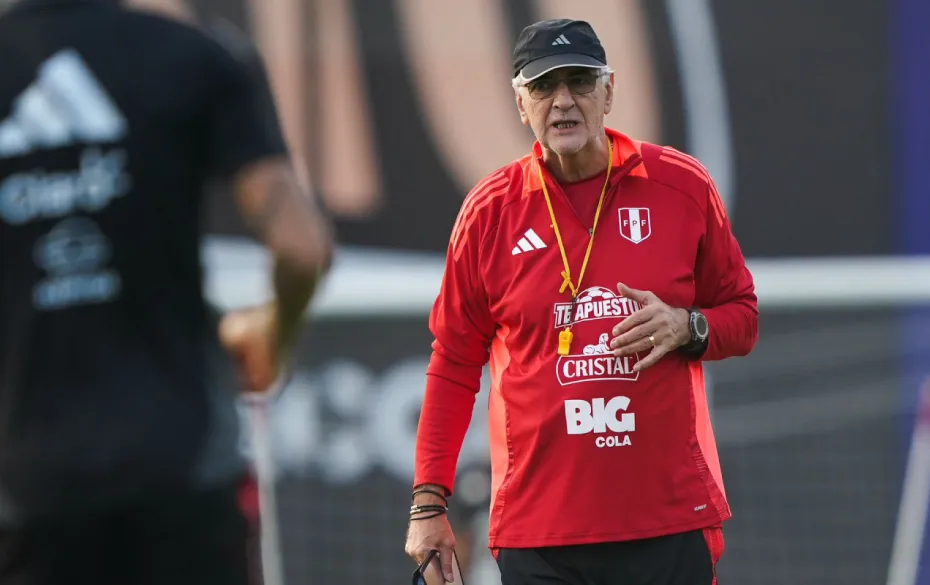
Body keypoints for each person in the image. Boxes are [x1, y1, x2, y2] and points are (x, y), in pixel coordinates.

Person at [404, 18, 758, 585]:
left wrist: (687, 326)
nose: (563, 101)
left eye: (580, 82)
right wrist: (428, 504)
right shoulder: (490, 213)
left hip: (665, 522)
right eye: (544, 86)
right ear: (521, 104)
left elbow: (742, 316)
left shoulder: (681, 186)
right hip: (540, 535)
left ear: (609, 92)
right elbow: (453, 363)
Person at [0, 0, 333, 583]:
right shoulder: (195, 55)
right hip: (183, 472)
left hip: (26, 487)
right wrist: (273, 338)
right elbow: (303, 247)